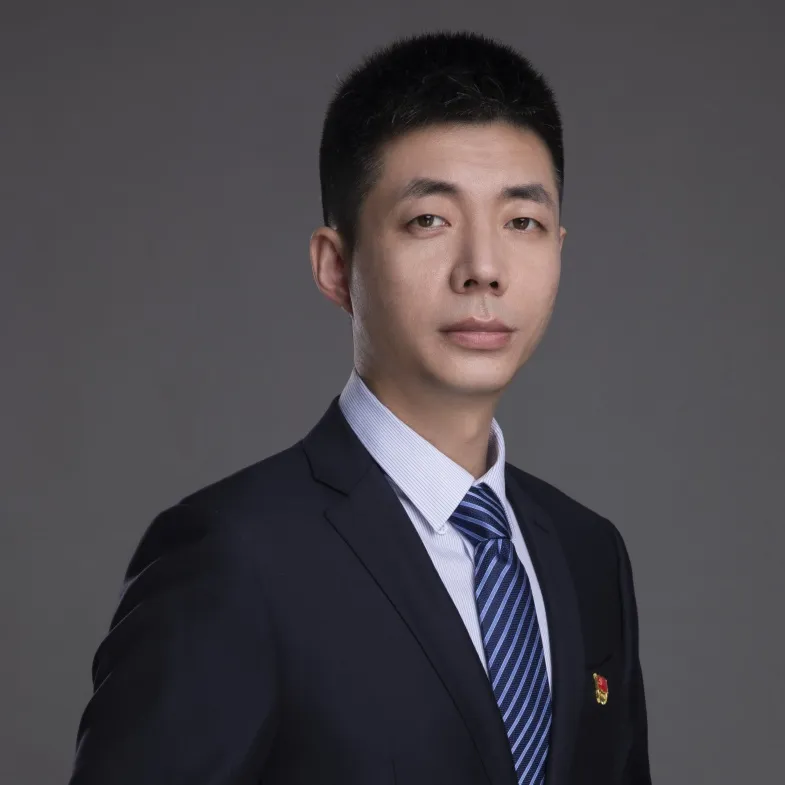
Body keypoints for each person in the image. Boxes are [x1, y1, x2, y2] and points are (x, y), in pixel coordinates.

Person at [68, 30, 651, 785]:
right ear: (336, 266)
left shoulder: (587, 552)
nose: (483, 268)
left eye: (522, 222)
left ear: (558, 250)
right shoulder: (234, 555)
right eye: (429, 219)